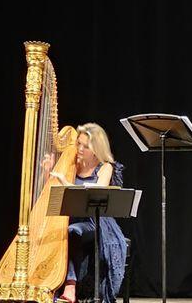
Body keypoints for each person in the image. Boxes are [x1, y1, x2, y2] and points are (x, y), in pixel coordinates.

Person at [49, 122, 127, 303]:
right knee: (61, 232)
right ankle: (49, 281)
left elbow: (98, 191)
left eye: (86, 146)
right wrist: (47, 172)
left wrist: (67, 185)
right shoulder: (70, 164)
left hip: (97, 222)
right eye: (79, 144)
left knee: (73, 231)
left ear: (96, 149)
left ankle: (70, 284)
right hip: (71, 218)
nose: (80, 149)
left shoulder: (105, 167)